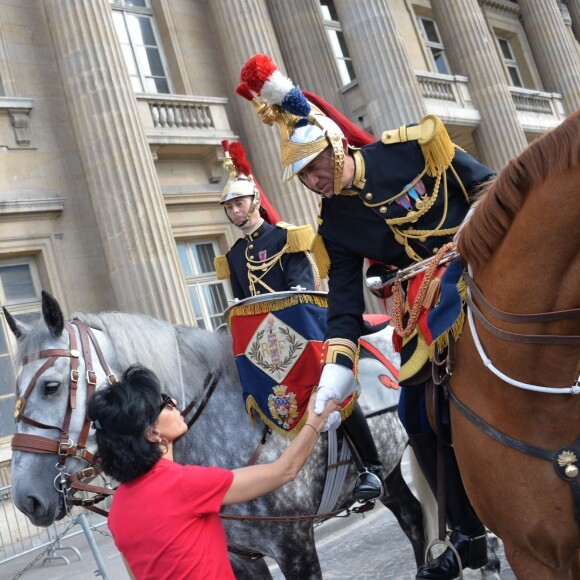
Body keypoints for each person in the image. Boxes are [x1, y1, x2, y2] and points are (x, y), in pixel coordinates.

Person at [236, 54, 497, 579]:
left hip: (487, 264)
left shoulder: (410, 149)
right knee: (415, 414)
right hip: (427, 306)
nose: (313, 180)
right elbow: (345, 310)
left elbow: (487, 185)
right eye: (302, 174)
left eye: (316, 165)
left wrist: (472, 239)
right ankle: (465, 530)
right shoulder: (334, 224)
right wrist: (336, 372)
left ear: (336, 146)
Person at [215, 139, 385, 501]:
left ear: (255, 202)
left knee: (330, 383)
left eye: (239, 203)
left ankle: (372, 466)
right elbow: (242, 303)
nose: (234, 211)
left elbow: (304, 289)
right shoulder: (232, 256)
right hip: (265, 344)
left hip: (301, 331)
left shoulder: (286, 237)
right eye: (229, 207)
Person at [87, 364, 340, 580]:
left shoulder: (117, 509)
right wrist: (315, 420)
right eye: (164, 402)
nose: (174, 402)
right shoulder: (183, 484)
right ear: (151, 433)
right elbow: (284, 470)